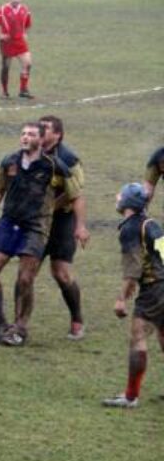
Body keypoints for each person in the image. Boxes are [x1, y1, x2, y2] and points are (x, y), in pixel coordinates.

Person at [0, 122, 79, 347]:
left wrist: (51, 209)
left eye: (31, 134)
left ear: (41, 139)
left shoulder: (54, 166)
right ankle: (0, 323)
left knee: (26, 278)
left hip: (36, 227)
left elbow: (73, 194)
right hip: (9, 223)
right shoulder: (10, 162)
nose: (25, 137)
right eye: (23, 133)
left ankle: (20, 328)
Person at [102, 183, 164, 408]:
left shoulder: (129, 229)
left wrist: (121, 298)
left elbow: (133, 270)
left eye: (121, 194)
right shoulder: (152, 224)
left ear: (128, 201)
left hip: (153, 289)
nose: (117, 197)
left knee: (138, 336)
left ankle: (130, 396)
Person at [39, 115, 91, 340]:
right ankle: (18, 325)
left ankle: (77, 319)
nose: (39, 130)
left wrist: (80, 226)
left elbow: (76, 196)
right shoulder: (30, 153)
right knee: (26, 271)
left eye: (45, 128)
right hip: (36, 221)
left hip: (61, 221)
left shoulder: (69, 159)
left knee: (61, 273)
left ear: (57, 134)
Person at [0, 0, 34, 99]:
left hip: (20, 42)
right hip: (7, 43)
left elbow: (27, 24)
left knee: (28, 64)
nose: (15, 0)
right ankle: (5, 92)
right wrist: (0, 35)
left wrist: (24, 33)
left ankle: (23, 90)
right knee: (6, 67)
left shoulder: (25, 9)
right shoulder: (3, 10)